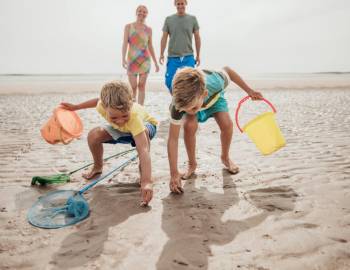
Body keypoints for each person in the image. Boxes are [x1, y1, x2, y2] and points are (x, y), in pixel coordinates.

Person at [167, 66, 264, 193]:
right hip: (195, 100)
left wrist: (249, 91)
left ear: (204, 94)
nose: (190, 112)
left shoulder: (217, 81)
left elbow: (228, 70)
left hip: (214, 100)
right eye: (186, 110)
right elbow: (173, 139)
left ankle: (225, 157)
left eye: (192, 108)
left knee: (227, 124)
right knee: (189, 126)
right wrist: (174, 173)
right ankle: (192, 163)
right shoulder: (178, 106)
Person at [60, 81, 157, 206]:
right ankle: (97, 166)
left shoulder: (134, 117)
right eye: (114, 117)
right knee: (93, 135)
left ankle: (143, 173)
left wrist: (147, 181)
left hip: (145, 127)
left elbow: (143, 150)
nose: (120, 120)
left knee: (143, 142)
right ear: (105, 107)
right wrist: (75, 107)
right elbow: (96, 101)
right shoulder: (102, 105)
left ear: (131, 104)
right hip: (123, 131)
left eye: (124, 115)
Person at [159, 0, 201, 93]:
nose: (180, 5)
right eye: (178, 3)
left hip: (188, 56)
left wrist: (198, 55)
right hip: (173, 56)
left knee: (192, 82)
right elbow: (164, 37)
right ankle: (176, 100)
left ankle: (187, 104)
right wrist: (161, 53)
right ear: (175, 4)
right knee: (169, 81)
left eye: (182, 3)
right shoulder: (169, 19)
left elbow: (197, 38)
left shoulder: (192, 19)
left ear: (186, 4)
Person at [122, 5, 159, 105]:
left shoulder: (149, 30)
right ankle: (133, 106)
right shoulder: (128, 27)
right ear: (136, 12)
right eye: (140, 11)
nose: (142, 13)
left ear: (146, 14)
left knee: (142, 85)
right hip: (132, 60)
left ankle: (141, 108)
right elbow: (125, 43)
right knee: (133, 86)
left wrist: (155, 62)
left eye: (144, 12)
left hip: (145, 60)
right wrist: (123, 58)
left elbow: (150, 46)